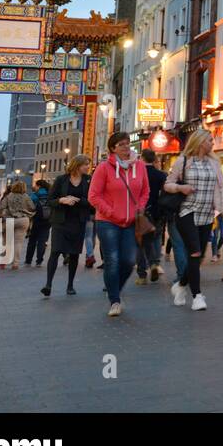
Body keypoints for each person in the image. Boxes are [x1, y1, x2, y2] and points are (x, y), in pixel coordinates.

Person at [162, 129, 223, 312]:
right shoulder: (183, 161)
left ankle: (181, 285)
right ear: (200, 142)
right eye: (209, 140)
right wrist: (180, 187)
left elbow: (222, 186)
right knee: (194, 252)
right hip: (187, 212)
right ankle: (197, 296)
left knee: (199, 256)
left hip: (207, 213)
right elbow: (167, 185)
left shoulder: (214, 163)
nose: (212, 144)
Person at [88, 132, 150, 317]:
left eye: (127, 144)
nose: (126, 147)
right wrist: (112, 212)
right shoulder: (104, 168)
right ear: (113, 148)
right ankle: (114, 300)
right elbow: (93, 196)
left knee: (129, 261)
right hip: (108, 222)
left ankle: (114, 288)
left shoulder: (139, 166)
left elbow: (145, 191)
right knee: (112, 260)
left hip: (131, 222)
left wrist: (139, 208)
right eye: (121, 145)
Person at [43, 155, 93, 297]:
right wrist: (62, 200)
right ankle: (48, 285)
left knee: (74, 254)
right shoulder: (61, 180)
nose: (87, 167)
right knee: (55, 252)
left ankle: (70, 285)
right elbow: (50, 200)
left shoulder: (88, 180)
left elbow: (92, 200)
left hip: (78, 222)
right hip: (61, 222)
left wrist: (78, 200)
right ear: (77, 165)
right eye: (85, 164)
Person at [135, 149, 167, 284]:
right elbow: (165, 193)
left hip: (140, 212)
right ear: (154, 160)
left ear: (142, 158)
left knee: (139, 243)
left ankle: (142, 274)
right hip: (156, 212)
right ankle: (154, 263)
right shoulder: (161, 175)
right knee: (156, 238)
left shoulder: (137, 174)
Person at [0, 181, 34, 272]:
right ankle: (15, 263)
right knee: (18, 243)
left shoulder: (9, 196)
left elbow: (1, 207)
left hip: (10, 220)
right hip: (23, 220)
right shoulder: (26, 197)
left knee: (6, 242)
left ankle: (3, 261)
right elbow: (32, 207)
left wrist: (1, 216)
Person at [24, 178, 52, 267]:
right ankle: (39, 260)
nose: (34, 187)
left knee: (32, 241)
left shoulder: (34, 195)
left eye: (36, 185)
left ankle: (28, 260)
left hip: (35, 220)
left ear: (39, 186)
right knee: (42, 241)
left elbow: (29, 207)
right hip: (47, 220)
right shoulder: (50, 194)